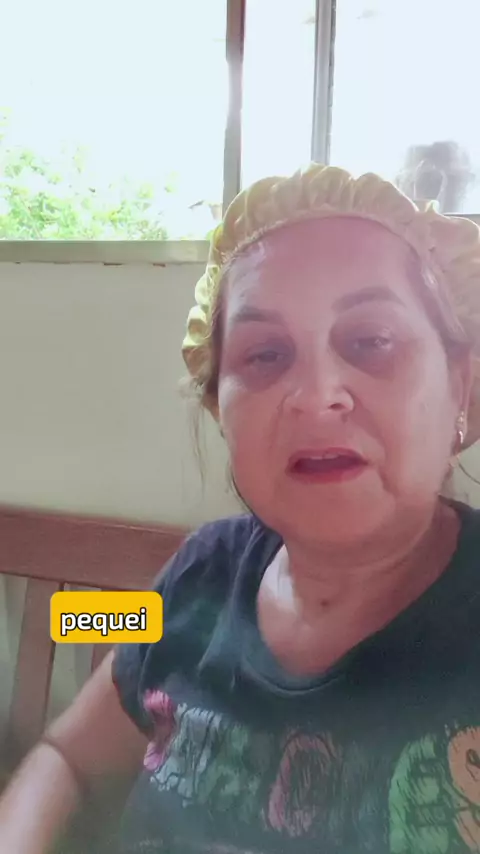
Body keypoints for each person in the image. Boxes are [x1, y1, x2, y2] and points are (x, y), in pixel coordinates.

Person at [2, 162, 480, 854]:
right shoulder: (197, 577)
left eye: (372, 341)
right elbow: (69, 750)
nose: (316, 395)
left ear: (461, 384)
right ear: (217, 404)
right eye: (265, 354)